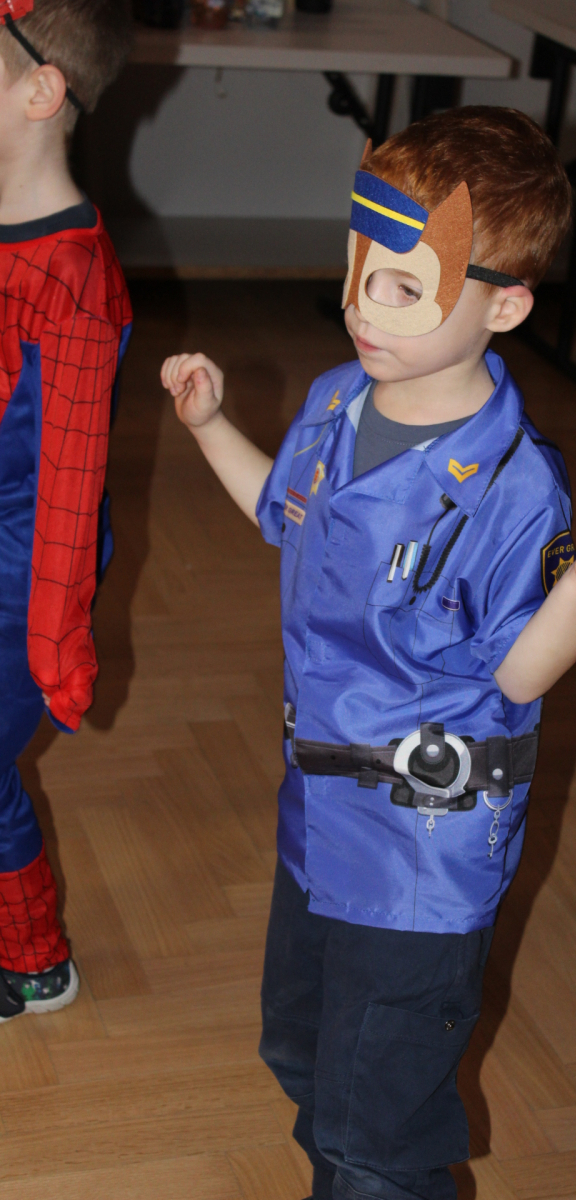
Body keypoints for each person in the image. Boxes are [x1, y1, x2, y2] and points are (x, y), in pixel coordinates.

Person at [161, 108, 576, 1200]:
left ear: (505, 305)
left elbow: (519, 676)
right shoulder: (335, 402)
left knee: (378, 1125)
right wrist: (211, 425)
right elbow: (285, 515)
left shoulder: (515, 488)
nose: (361, 305)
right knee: (301, 1050)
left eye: (403, 287)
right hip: (318, 813)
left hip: (420, 855)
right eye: (358, 270)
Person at [0, 0, 132, 1020]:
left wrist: (56, 642)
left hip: (16, 580)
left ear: (40, 92)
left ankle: (35, 958)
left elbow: (68, 493)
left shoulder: (76, 282)